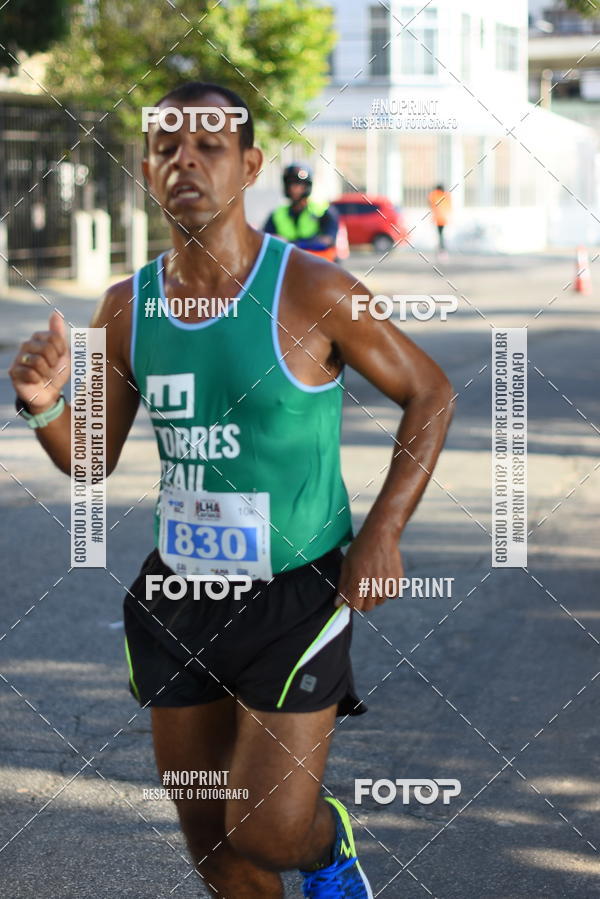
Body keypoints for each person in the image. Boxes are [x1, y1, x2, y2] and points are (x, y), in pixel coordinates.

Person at [9, 81, 453, 898]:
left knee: (272, 829)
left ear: (249, 165)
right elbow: (91, 458)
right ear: (147, 169)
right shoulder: (127, 307)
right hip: (180, 595)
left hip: (297, 594)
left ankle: (329, 849)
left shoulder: (314, 293)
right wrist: (43, 406)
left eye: (208, 146)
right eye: (167, 147)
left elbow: (430, 392)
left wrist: (383, 531)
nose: (186, 161)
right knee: (216, 847)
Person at [264, 163, 339, 260]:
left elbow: (327, 240)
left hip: (319, 266)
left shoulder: (323, 210)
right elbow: (266, 241)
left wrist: (289, 244)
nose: (294, 189)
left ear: (308, 186)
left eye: (299, 184)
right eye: (291, 184)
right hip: (288, 266)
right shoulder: (277, 214)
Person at [427, 183, 451, 255]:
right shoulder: (446, 195)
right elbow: (449, 206)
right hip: (444, 218)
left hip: (437, 218)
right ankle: (441, 248)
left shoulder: (434, 195)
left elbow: (430, 203)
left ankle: (441, 248)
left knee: (440, 234)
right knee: (441, 234)